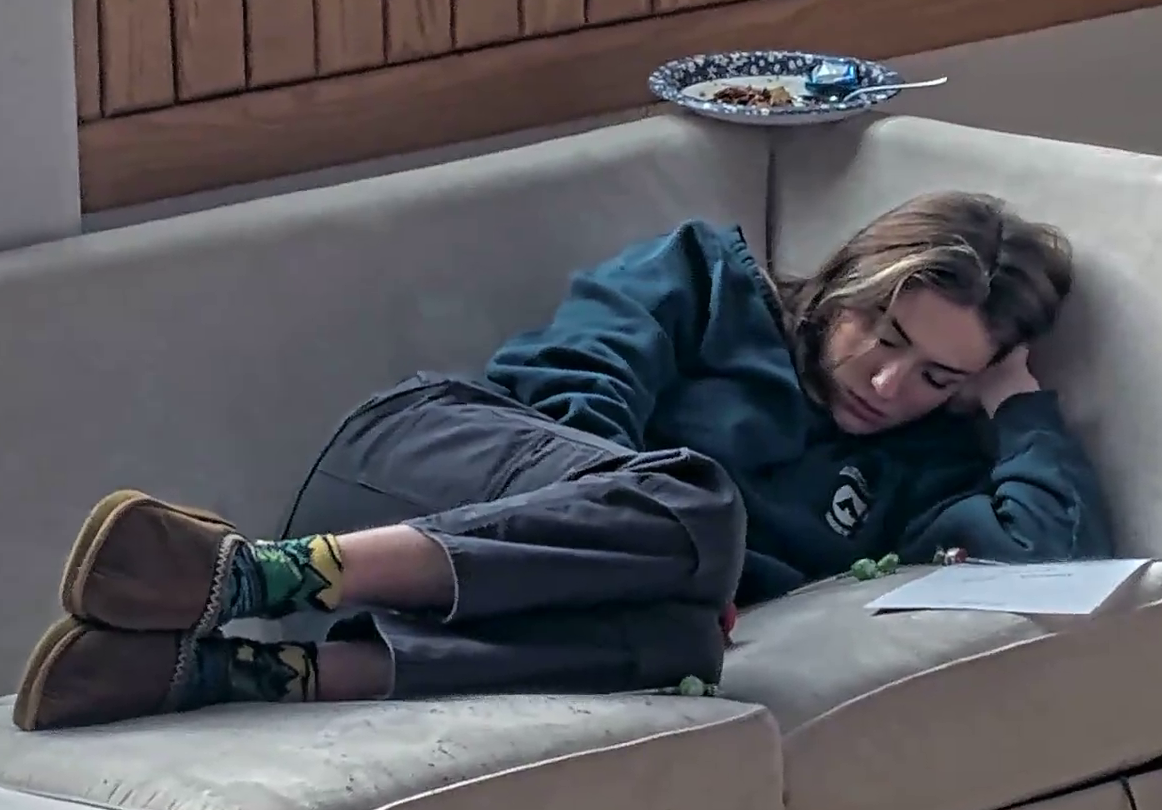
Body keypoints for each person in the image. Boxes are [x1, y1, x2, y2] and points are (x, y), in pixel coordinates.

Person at [13, 192, 1112, 732]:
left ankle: (235, 672)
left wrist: (1020, 411)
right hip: (424, 467)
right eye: (883, 332)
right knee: (702, 512)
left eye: (935, 374)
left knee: (690, 641)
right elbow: (569, 388)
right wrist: (657, 539)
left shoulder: (920, 469)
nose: (886, 381)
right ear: (847, 284)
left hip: (531, 606)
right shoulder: (709, 277)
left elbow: (1041, 559)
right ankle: (254, 576)